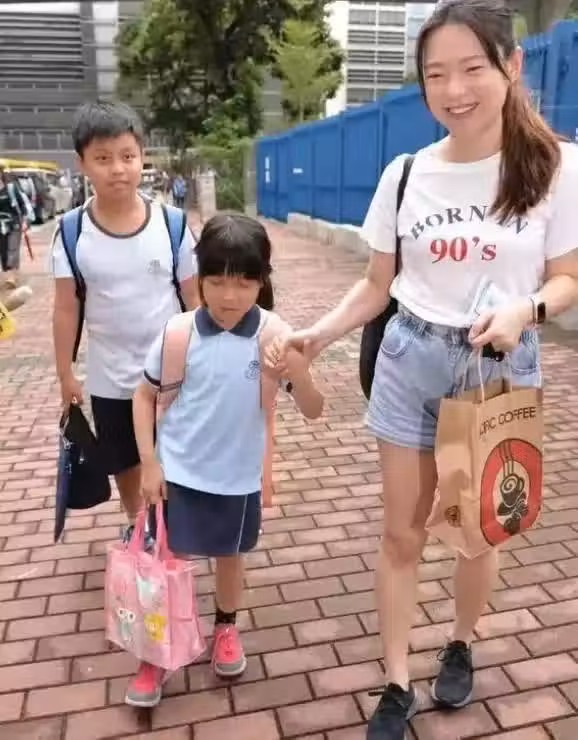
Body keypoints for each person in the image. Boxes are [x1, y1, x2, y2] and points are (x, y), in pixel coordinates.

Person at [283, 1, 578, 738]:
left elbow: (568, 277)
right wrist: (318, 335)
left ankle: (461, 641)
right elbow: (375, 285)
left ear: (511, 66)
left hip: (496, 366)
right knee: (402, 533)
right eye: (436, 74)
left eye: (472, 68)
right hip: (410, 358)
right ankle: (394, 679)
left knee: (478, 530)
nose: (454, 90)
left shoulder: (555, 166)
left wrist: (526, 309)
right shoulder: (406, 173)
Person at [128, 212, 324, 707]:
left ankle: (225, 629)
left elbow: (313, 409)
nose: (229, 296)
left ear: (262, 281)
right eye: (216, 281)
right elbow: (143, 396)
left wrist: (297, 371)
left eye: (244, 283)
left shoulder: (275, 334)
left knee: (230, 559)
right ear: (199, 278)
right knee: (165, 565)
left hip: (238, 478)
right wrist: (149, 462)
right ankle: (156, 652)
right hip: (177, 474)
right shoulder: (178, 334)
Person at [51, 100, 199, 545]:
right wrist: (65, 373)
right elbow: (65, 307)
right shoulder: (71, 232)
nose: (117, 169)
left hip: (171, 373)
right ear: (82, 163)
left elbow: (194, 298)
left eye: (127, 156)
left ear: (142, 157)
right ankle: (140, 523)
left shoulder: (171, 224)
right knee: (123, 460)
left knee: (175, 450)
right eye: (103, 158)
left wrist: (203, 358)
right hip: (109, 376)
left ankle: (175, 520)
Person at [0, 167, 34, 309]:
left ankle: (13, 277)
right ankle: (9, 273)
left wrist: (25, 221)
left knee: (12, 251)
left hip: (14, 224)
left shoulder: (11, 188)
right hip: (1, 226)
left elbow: (23, 205)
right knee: (3, 252)